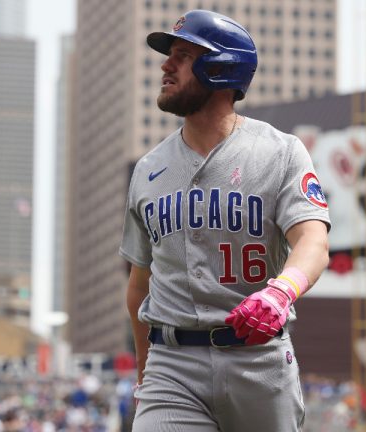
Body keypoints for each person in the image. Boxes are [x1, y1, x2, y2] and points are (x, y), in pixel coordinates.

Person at [120, 9, 331, 432]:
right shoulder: (148, 169)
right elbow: (139, 286)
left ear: (220, 68)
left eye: (181, 55)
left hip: (259, 362)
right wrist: (146, 375)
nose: (165, 65)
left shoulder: (281, 152)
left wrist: (281, 293)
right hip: (172, 364)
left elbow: (313, 241)